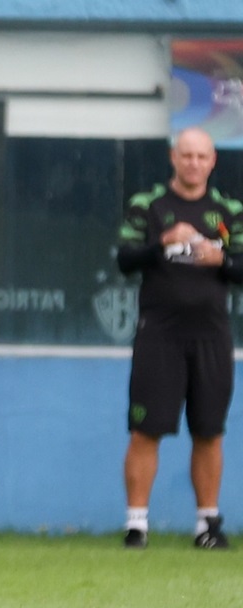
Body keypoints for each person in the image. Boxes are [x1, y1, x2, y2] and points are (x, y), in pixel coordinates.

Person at [115, 126, 243, 549]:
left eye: (201, 156)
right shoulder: (147, 205)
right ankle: (137, 526)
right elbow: (124, 260)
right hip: (159, 336)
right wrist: (162, 243)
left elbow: (240, 265)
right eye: (186, 155)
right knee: (145, 430)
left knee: (209, 430)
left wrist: (220, 259)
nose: (193, 163)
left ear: (212, 162)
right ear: (173, 158)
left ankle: (207, 525)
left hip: (211, 336)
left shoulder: (228, 210)